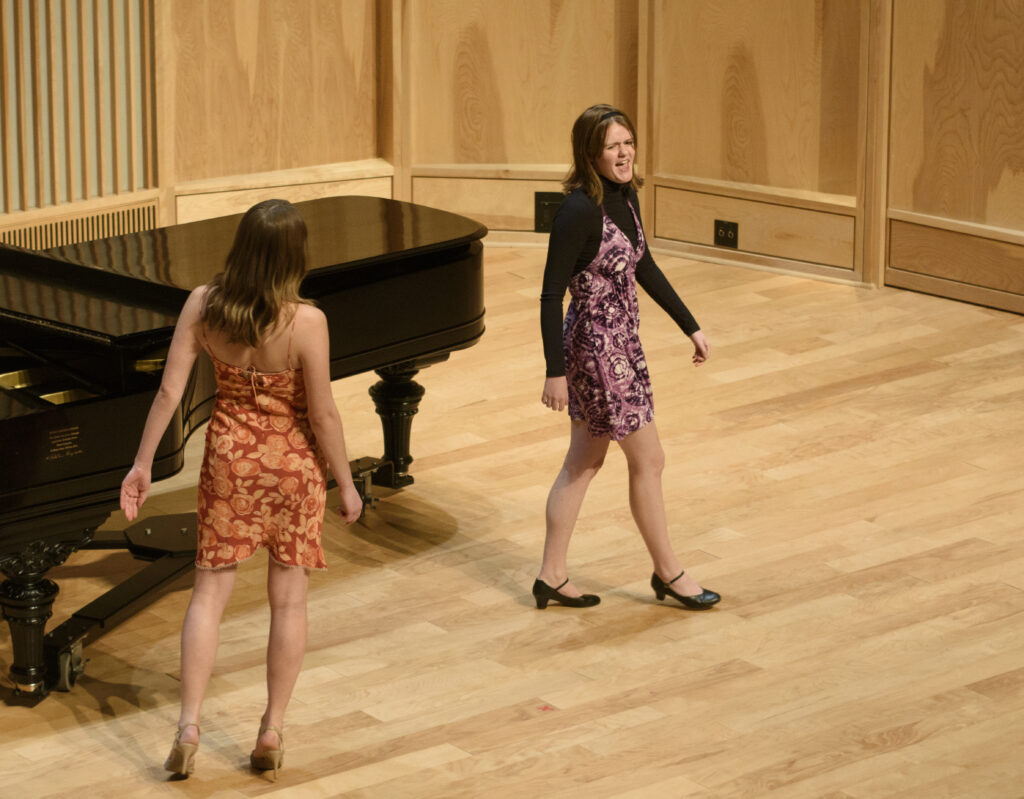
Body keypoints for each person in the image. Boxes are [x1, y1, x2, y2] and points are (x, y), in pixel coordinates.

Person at [120, 199, 363, 779]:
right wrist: (347, 484)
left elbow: (168, 394)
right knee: (288, 599)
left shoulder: (203, 305)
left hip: (230, 461)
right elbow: (324, 415)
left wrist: (141, 464)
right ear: (295, 255)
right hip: (293, 467)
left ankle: (188, 726)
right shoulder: (307, 322)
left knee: (208, 596)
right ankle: (272, 729)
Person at [534, 105, 720, 611]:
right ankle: (670, 574)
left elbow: (645, 265)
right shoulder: (576, 211)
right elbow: (551, 295)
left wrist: (691, 325)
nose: (624, 153)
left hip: (623, 344)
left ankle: (551, 575)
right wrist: (555, 372)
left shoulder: (628, 195)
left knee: (585, 459)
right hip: (597, 350)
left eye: (628, 142)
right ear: (590, 153)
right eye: (613, 146)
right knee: (649, 458)